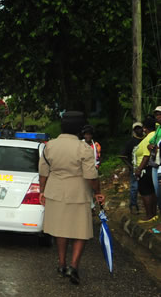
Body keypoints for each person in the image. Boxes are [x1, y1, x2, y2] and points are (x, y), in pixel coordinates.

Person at [39, 111, 105, 285]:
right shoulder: (83, 148)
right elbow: (91, 176)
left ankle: (61, 263)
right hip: (79, 193)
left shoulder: (50, 146)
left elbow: (43, 172)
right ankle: (73, 266)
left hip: (55, 191)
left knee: (61, 229)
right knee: (80, 231)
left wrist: (42, 191)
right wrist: (98, 192)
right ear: (80, 129)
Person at [134, 117, 159, 225]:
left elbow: (146, 156)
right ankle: (153, 213)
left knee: (145, 192)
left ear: (145, 128)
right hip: (152, 168)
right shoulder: (155, 135)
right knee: (152, 192)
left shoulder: (148, 138)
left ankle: (149, 214)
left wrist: (139, 169)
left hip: (145, 169)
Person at [119, 122, 145, 214]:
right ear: (134, 131)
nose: (139, 130)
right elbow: (122, 156)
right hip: (135, 168)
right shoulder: (131, 142)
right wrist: (131, 166)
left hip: (146, 167)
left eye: (140, 128)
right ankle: (133, 205)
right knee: (134, 187)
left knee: (146, 187)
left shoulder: (146, 139)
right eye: (136, 129)